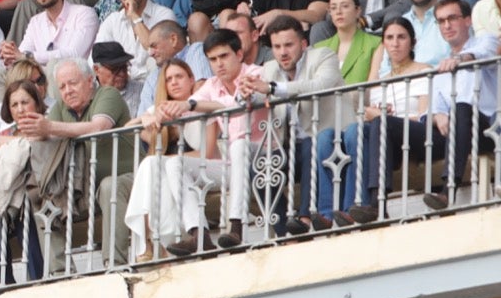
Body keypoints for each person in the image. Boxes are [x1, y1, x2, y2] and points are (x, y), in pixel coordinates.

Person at [152, 30, 267, 255]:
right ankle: (199, 235)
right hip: (233, 165)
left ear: (239, 54)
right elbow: (191, 104)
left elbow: (231, 103)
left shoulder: (255, 73)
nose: (219, 64)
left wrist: (189, 105)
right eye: (212, 60)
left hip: (265, 156)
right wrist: (159, 113)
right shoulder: (212, 85)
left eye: (224, 56)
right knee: (174, 164)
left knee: (239, 145)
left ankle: (236, 226)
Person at [316, 17, 429, 225]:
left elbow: (423, 117)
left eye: (401, 37)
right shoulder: (379, 82)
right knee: (348, 131)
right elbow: (369, 115)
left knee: (375, 125)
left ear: (412, 42)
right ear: (383, 44)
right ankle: (338, 211)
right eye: (389, 38)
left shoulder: (424, 71)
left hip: (409, 138)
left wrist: (384, 118)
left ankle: (357, 203)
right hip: (381, 140)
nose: (395, 43)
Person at [239, 15, 343, 235]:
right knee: (258, 168)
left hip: (330, 141)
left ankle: (306, 218)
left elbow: (320, 85)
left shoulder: (323, 55)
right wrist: (245, 95)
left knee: (306, 146)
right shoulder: (269, 68)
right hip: (290, 148)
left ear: (303, 44)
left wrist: (273, 88)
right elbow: (259, 96)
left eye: (288, 45)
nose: (282, 52)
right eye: (277, 46)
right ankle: (285, 231)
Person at [36, 58, 136, 269]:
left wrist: (50, 127)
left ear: (90, 80)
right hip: (87, 191)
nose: (68, 90)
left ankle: (115, 265)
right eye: (62, 87)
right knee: (40, 199)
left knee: (110, 185)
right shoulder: (61, 109)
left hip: (132, 181)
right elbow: (41, 138)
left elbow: (99, 127)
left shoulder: (108, 94)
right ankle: (60, 272)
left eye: (73, 83)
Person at [122, 59, 207, 259]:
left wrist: (166, 160)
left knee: (153, 163)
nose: (174, 83)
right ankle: (151, 240)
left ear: (191, 79)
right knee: (151, 164)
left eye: (179, 77)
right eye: (169, 79)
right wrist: (144, 119)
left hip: (197, 171)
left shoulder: (201, 104)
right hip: (168, 176)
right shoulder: (162, 109)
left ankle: (149, 242)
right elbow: (126, 129)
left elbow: (207, 154)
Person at [421, 0, 499, 211]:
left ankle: (448, 190)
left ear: (467, 20)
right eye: (441, 21)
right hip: (455, 133)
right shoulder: (441, 67)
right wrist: (436, 115)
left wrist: (462, 59)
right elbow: (433, 107)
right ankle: (370, 205)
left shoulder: (486, 41)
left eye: (452, 18)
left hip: (489, 129)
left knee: (462, 107)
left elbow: (486, 53)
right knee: (387, 125)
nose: (446, 25)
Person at [0, 0, 100, 71]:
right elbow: (22, 53)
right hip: (39, 81)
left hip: (73, 79)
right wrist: (9, 54)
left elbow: (74, 54)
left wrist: (26, 56)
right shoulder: (35, 21)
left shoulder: (85, 14)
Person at [94, 0, 177, 92]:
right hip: (122, 86)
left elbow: (157, 50)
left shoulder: (164, 15)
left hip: (156, 86)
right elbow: (97, 57)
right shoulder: (112, 20)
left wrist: (134, 16)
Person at [315, 0, 380, 85]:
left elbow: (373, 86)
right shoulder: (319, 48)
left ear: (357, 11)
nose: (338, 12)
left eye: (345, 6)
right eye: (333, 8)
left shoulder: (375, 43)